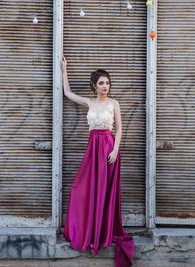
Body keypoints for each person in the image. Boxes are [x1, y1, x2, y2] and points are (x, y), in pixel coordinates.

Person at [62, 56, 134, 267]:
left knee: (104, 191)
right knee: (80, 188)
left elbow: (119, 129)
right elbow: (67, 93)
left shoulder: (114, 103)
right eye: (102, 83)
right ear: (94, 86)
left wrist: (115, 149)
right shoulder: (90, 101)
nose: (106, 86)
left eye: (108, 83)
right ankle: (85, 230)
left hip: (108, 148)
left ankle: (101, 232)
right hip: (93, 147)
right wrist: (64, 69)